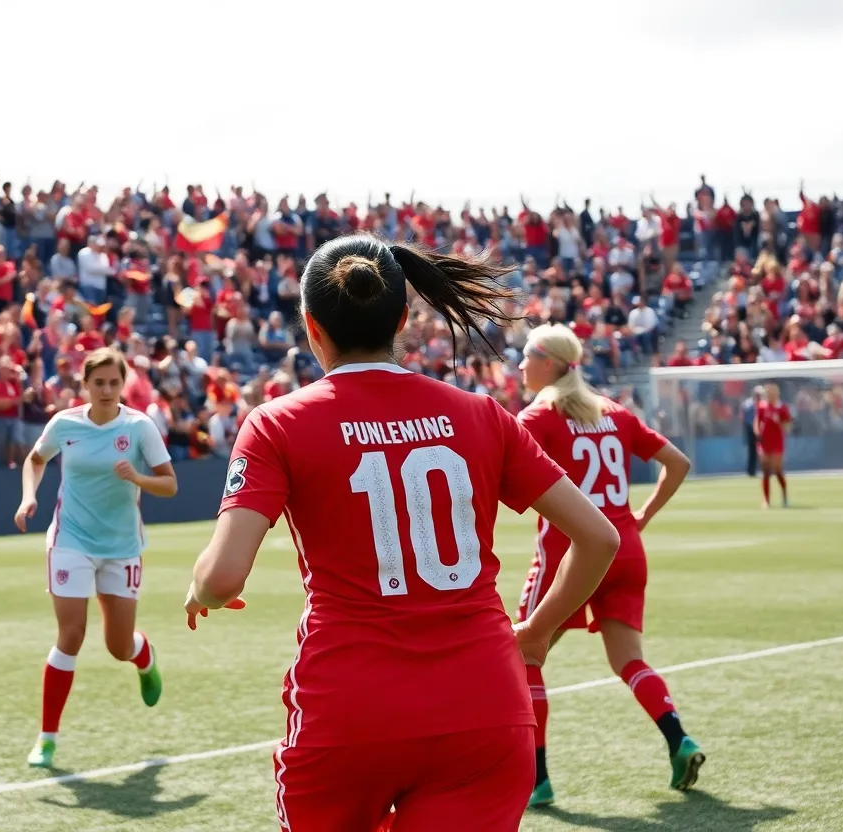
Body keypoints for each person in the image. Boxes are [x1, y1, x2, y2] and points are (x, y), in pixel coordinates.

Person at [185, 236, 620, 832]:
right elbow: (599, 538)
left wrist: (202, 590)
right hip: (485, 707)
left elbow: (222, 577)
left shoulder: (277, 422)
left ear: (312, 328)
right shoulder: (481, 413)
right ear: (400, 320)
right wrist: (538, 633)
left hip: (349, 713)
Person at [515, 323, 703, 807]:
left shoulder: (539, 416)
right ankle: (679, 739)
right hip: (625, 548)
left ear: (548, 362)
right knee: (630, 662)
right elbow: (677, 462)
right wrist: (642, 515)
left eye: (525, 356)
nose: (519, 366)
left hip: (570, 554)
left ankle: (537, 779)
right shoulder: (615, 412)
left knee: (524, 656)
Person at [13, 348, 180, 770]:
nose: (106, 390)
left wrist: (138, 477)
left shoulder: (140, 427)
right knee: (70, 636)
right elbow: (35, 460)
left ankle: (144, 657)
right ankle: (47, 739)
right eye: (98, 382)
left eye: (113, 382)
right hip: (70, 540)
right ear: (84, 385)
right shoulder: (65, 424)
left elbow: (169, 485)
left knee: (117, 646)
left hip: (121, 546)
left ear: (122, 385)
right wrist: (29, 496)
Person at [754, 383, 792, 508]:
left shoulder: (782, 408)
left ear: (776, 393)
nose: (768, 395)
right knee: (765, 471)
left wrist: (779, 422)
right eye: (767, 393)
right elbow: (757, 421)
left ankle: (784, 495)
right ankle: (766, 500)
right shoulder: (762, 406)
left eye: (771, 393)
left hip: (777, 443)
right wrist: (757, 432)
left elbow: (788, 426)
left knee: (777, 470)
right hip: (764, 443)